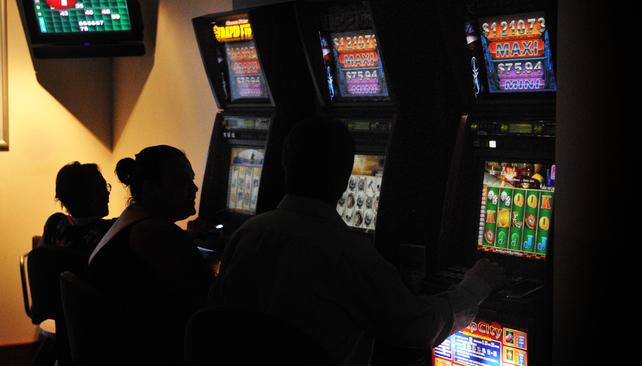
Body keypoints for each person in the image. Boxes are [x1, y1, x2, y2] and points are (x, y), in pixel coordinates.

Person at [210, 117, 505, 366]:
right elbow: (417, 327)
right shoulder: (347, 253)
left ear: (285, 166)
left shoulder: (248, 234)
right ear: (344, 177)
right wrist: (475, 287)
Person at [88, 145, 214, 365]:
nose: (194, 189)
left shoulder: (132, 220)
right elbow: (208, 299)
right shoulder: (154, 233)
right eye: (182, 182)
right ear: (151, 188)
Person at [39, 162, 115, 258]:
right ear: (86, 196)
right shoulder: (110, 230)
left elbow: (36, 261)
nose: (107, 193)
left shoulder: (54, 224)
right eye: (102, 188)